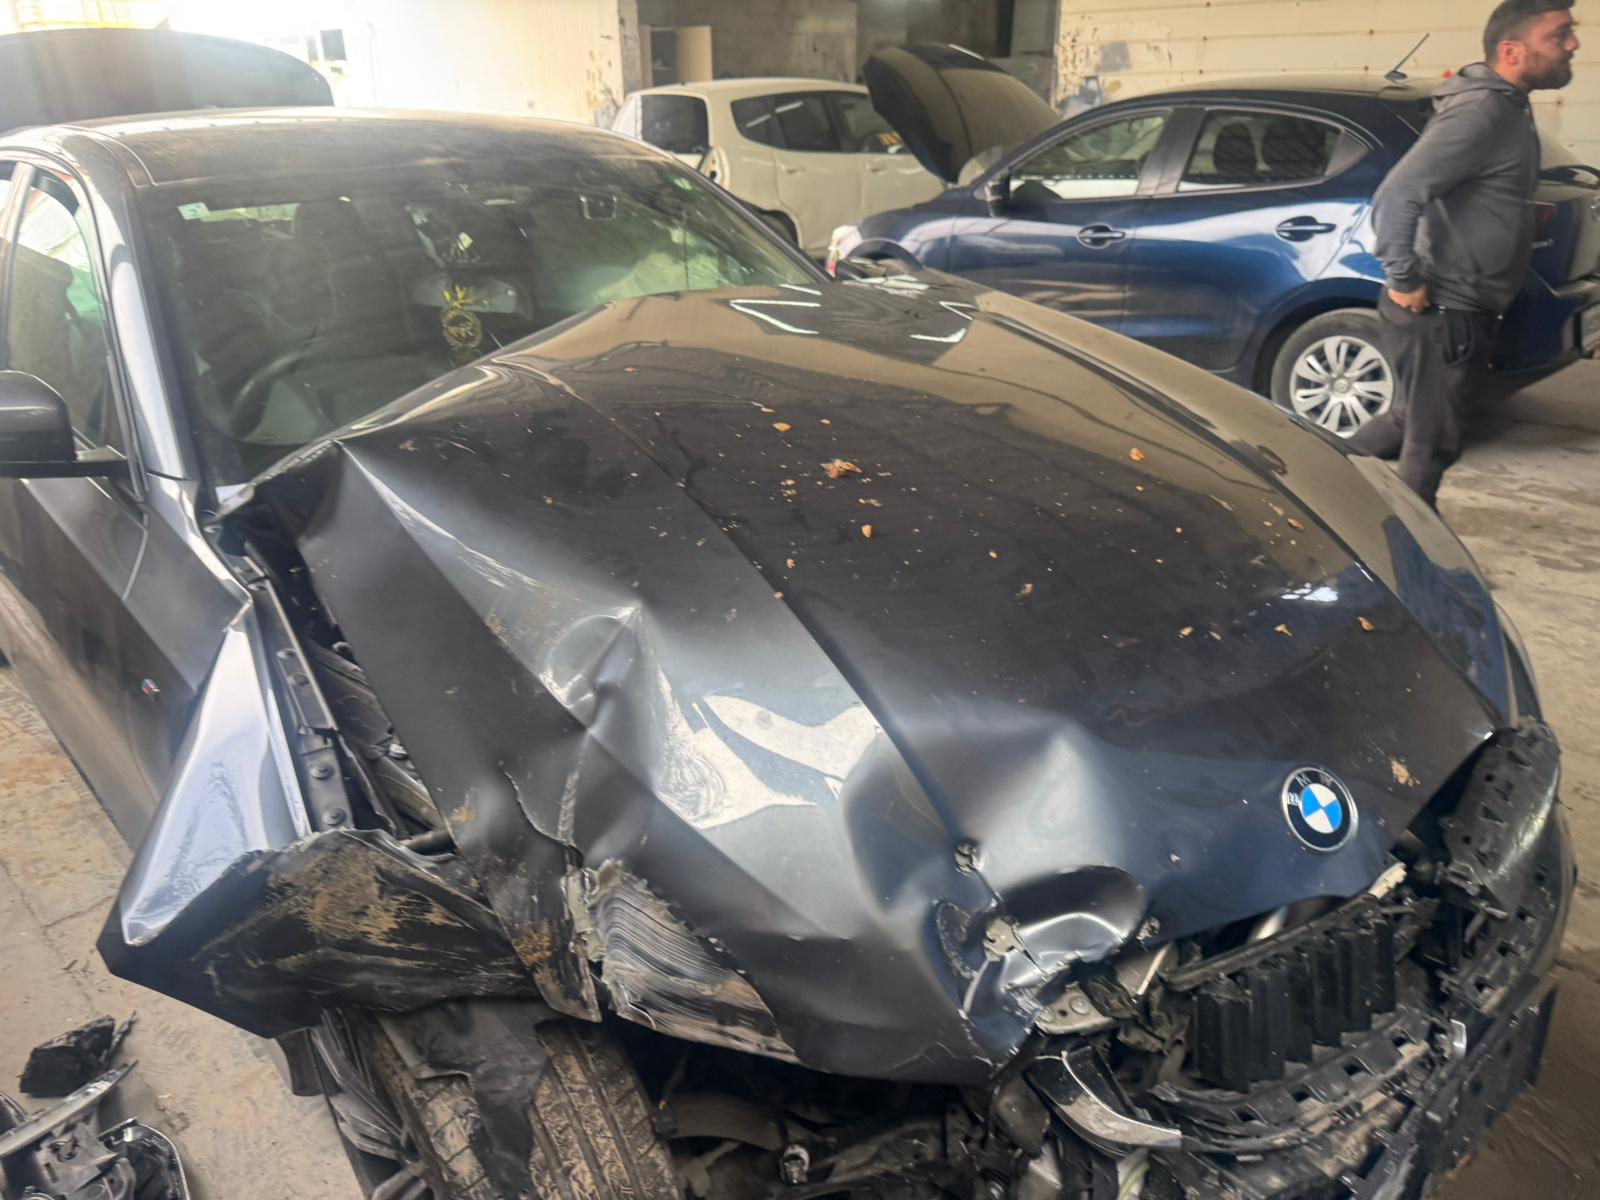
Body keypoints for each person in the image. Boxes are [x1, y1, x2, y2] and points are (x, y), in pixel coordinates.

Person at [1347, 0, 1580, 508]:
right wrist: (1404, 278)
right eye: (1559, 35)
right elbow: (1396, 197)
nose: (1573, 45)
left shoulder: (1508, 104)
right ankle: (1411, 552)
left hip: (1461, 309)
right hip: (1443, 310)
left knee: (1410, 423)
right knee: (1430, 448)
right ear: (1511, 51)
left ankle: (1311, 485)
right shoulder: (1482, 112)